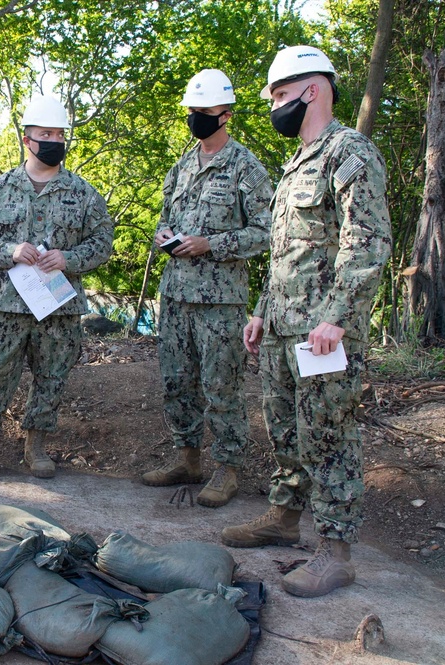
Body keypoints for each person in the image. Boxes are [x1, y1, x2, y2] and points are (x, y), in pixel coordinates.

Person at [220, 46, 391, 597]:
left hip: (323, 333)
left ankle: (336, 550)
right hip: (283, 328)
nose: (274, 105)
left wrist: (338, 318)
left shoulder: (349, 153)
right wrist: (261, 312)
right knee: (286, 431)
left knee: (329, 436)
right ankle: (283, 517)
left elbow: (365, 243)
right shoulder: (298, 162)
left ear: (310, 90)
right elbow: (285, 254)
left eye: (278, 94)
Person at [0, 94, 114, 480]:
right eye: (46, 133)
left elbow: (102, 242)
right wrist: (9, 250)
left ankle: (35, 446)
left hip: (58, 307)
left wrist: (69, 259)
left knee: (52, 376)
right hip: (6, 304)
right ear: (27, 139)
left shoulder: (84, 193)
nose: (54, 140)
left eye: (60, 133)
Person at [141, 69, 272, 508]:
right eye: (192, 111)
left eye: (205, 111)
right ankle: (188, 458)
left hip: (221, 302)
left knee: (222, 386)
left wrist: (209, 244)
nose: (196, 118)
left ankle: (228, 468)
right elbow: (164, 220)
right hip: (176, 296)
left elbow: (266, 232)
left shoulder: (246, 168)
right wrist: (165, 238)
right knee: (177, 383)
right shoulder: (181, 167)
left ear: (226, 115)